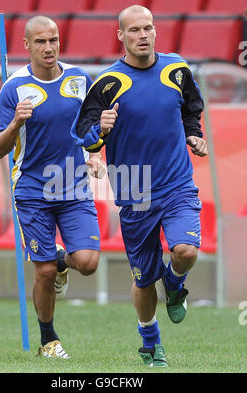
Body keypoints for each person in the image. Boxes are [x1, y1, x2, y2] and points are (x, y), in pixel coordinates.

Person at [71, 5, 208, 367]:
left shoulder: (177, 68)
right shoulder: (107, 83)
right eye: (134, 30)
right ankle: (150, 342)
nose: (143, 35)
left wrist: (194, 135)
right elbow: (82, 137)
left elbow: (191, 108)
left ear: (155, 30)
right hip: (135, 191)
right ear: (121, 36)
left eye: (148, 28)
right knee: (144, 279)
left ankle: (176, 284)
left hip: (178, 184)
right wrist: (99, 129)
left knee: (186, 251)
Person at [0, 16, 105, 358]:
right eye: (40, 41)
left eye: (53, 39)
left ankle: (61, 260)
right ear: (26, 46)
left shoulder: (79, 79)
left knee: (87, 262)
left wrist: (92, 152)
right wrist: (15, 122)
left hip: (73, 186)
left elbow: (86, 130)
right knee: (41, 271)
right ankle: (49, 340)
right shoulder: (14, 88)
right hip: (31, 189)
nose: (49, 47)